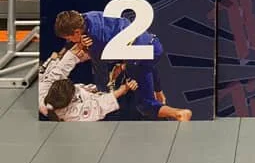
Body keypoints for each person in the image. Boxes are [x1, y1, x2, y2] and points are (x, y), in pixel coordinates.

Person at [54, 10, 192, 121]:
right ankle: (159, 95)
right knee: (146, 69)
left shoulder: (95, 41)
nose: (69, 41)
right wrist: (158, 90)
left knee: (146, 106)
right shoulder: (87, 17)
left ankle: (179, 114)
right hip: (152, 45)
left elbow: (101, 71)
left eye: (69, 38)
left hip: (137, 57)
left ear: (77, 32)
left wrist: (104, 93)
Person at [39, 41, 138, 121]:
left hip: (94, 90)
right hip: (105, 112)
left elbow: (60, 70)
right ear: (70, 99)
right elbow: (100, 105)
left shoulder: (44, 90)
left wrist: (80, 44)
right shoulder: (72, 115)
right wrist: (123, 89)